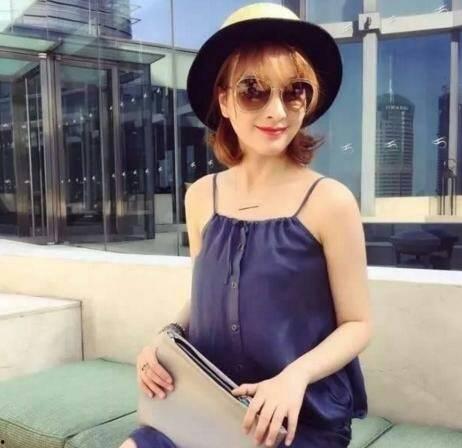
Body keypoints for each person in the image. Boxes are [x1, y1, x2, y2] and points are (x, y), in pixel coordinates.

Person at [119, 3, 372, 447]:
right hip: (207, 406)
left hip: (296, 418)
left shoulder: (330, 201)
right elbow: (205, 295)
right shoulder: (201, 197)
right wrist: (163, 341)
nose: (277, 111)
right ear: (224, 100)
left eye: (293, 92)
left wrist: (294, 378)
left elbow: (358, 323)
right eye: (253, 90)